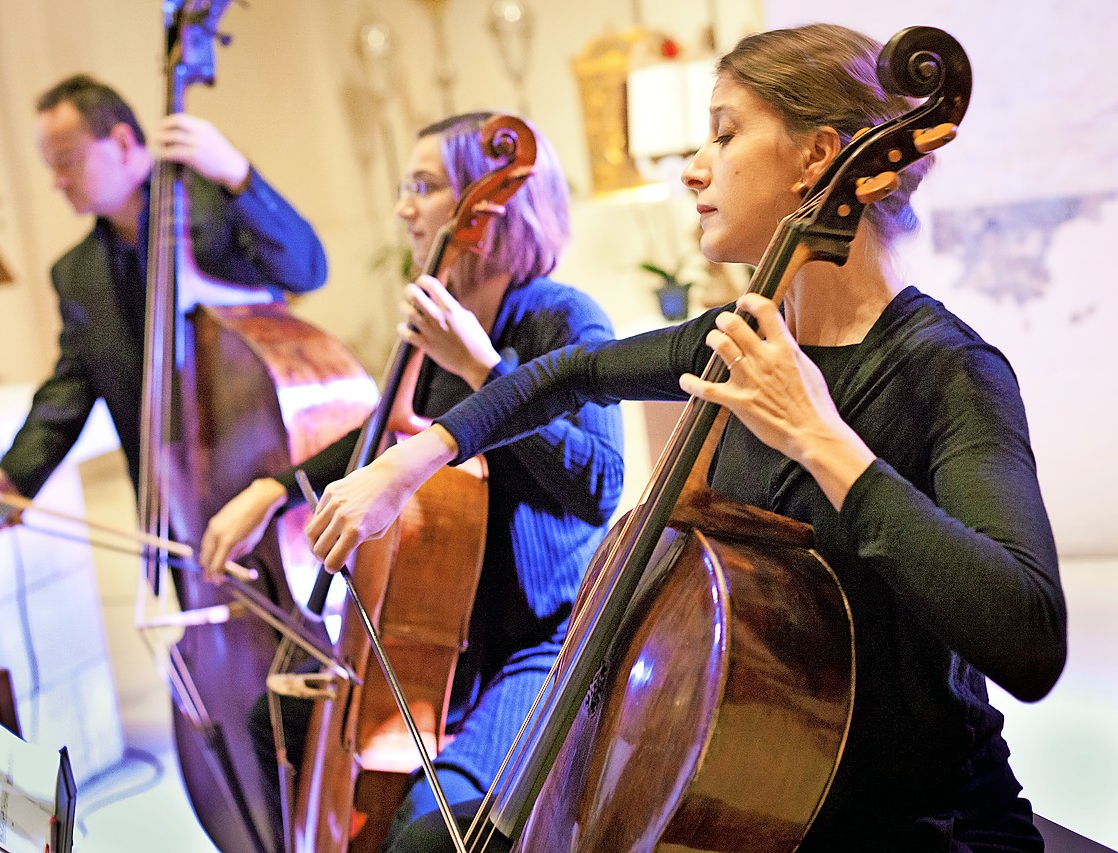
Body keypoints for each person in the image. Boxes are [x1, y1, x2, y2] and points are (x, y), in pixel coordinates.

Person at [302, 24, 1068, 853]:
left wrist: (823, 439)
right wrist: (401, 466)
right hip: (751, 806)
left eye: (726, 132)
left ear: (818, 158)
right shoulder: (740, 335)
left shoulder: (949, 373)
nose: (693, 165)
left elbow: (1029, 638)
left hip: (922, 828)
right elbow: (567, 376)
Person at [198, 112, 625, 848]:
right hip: (435, 638)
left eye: (423, 187)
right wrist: (273, 490)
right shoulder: (436, 328)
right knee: (262, 730)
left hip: (539, 642)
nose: (404, 207)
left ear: (484, 213)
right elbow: (384, 439)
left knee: (427, 836)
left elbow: (600, 485)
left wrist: (485, 370)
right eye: (406, 187)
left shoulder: (564, 321)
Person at [0, 74, 327, 508]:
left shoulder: (218, 203)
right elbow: (72, 384)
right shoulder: (77, 274)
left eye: (66, 160)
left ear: (124, 142)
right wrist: (16, 473)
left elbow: (308, 270)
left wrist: (239, 176)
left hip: (267, 484)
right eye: (49, 165)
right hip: (172, 506)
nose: (56, 181)